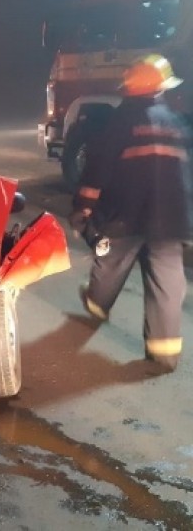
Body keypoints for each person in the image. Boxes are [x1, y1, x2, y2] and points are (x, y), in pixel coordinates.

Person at [69, 54, 193, 372]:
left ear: (130, 86)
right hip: (172, 221)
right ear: (161, 88)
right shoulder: (176, 123)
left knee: (110, 265)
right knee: (168, 286)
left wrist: (84, 208)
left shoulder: (122, 120)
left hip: (126, 216)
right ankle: (164, 354)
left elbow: (98, 169)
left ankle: (97, 306)